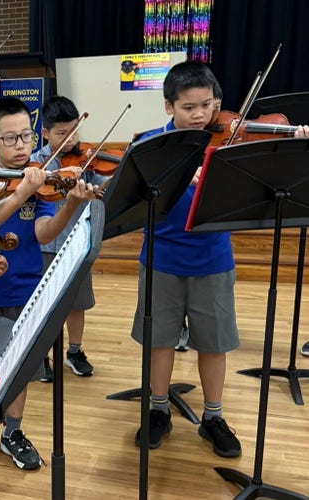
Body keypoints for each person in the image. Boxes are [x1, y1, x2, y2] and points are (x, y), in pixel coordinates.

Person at [129, 61, 309, 457]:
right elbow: (133, 200)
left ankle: (213, 417)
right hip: (161, 258)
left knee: (214, 344)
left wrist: (295, 140)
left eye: (207, 105)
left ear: (218, 103)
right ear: (168, 107)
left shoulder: (228, 142)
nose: (199, 115)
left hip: (213, 258)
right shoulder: (150, 146)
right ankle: (158, 409)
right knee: (158, 343)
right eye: (188, 107)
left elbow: (271, 172)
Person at [0, 97, 96, 471]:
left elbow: (43, 230)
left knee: (18, 367)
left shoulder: (40, 180)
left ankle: (13, 431)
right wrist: (17, 194)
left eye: (26, 137)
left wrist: (68, 204)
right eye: (10, 139)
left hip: (27, 290)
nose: (21, 147)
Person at [34, 96, 108, 377]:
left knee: (77, 303)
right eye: (61, 133)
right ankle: (39, 355)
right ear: (45, 133)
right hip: (44, 245)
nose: (70, 140)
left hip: (77, 242)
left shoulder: (87, 160)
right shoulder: (36, 164)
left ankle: (74, 351)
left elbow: (105, 185)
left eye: (74, 131)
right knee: (43, 304)